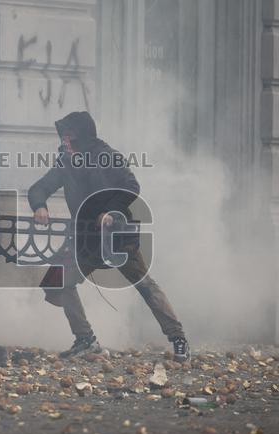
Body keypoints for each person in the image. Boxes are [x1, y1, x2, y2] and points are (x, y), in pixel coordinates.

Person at [27, 111, 189, 361]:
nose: (64, 143)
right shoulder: (66, 162)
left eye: (69, 138)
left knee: (144, 284)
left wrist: (109, 211)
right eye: (64, 138)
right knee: (59, 278)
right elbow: (40, 187)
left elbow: (131, 187)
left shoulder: (107, 156)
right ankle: (85, 339)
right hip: (84, 239)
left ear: (81, 137)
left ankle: (178, 338)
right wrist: (39, 205)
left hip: (116, 238)